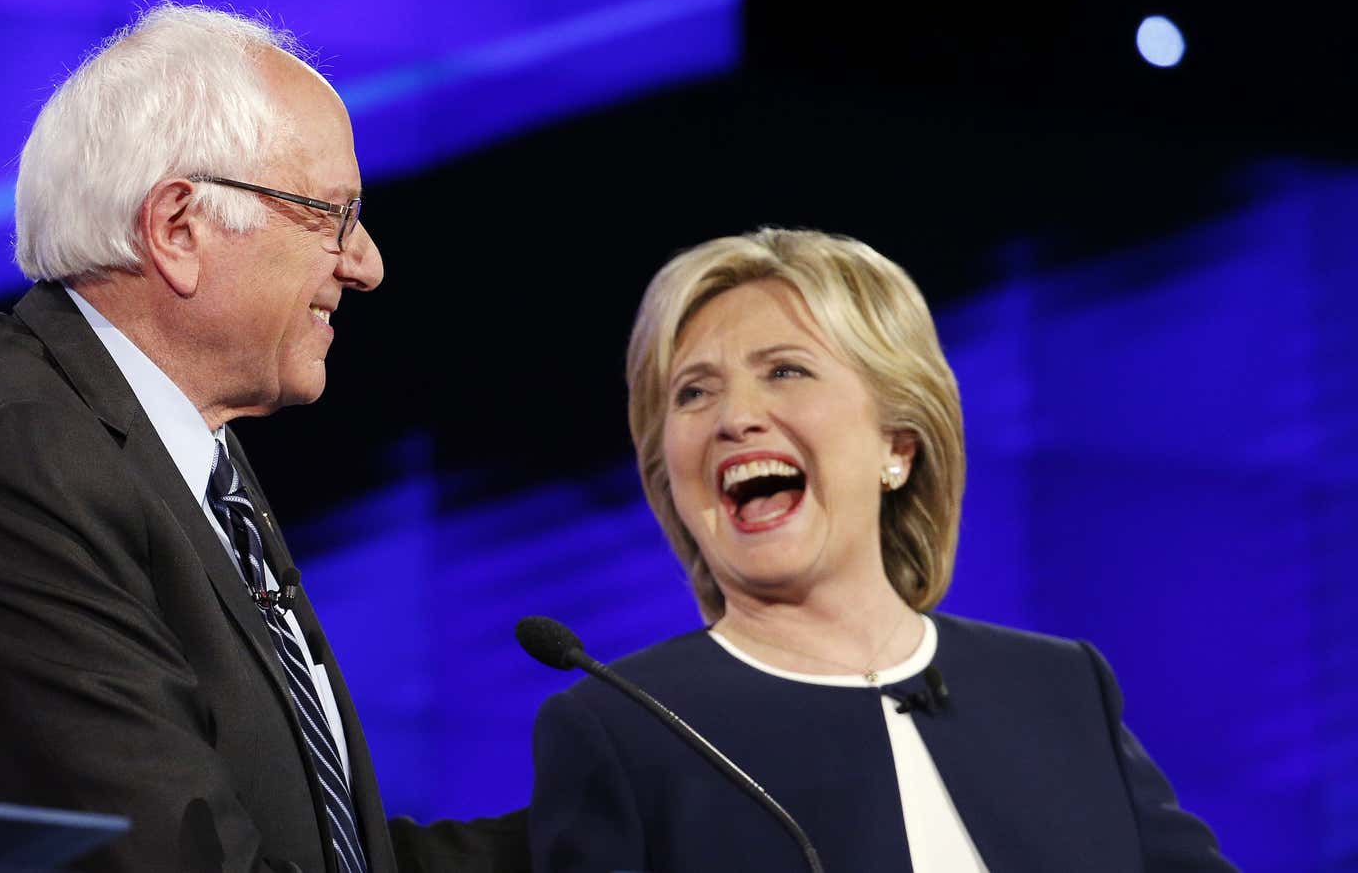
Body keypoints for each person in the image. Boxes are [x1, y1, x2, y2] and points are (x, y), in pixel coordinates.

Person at [0, 3, 525, 873]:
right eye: (333, 214)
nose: (367, 262)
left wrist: (613, 815)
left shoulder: (174, 452)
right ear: (179, 228)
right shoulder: (18, 465)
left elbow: (315, 850)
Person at [527, 229, 1235, 872]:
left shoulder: (1062, 688)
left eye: (785, 371)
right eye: (692, 392)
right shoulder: (624, 728)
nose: (734, 418)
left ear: (896, 445)